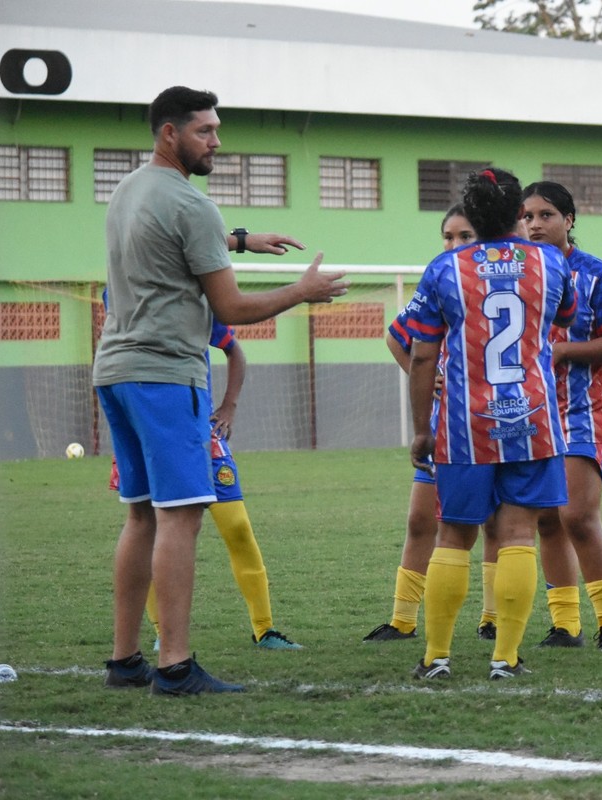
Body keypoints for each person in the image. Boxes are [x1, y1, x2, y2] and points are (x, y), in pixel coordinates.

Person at [95, 86, 347, 696]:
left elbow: (173, 242)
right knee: (180, 516)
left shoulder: (128, 190)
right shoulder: (190, 205)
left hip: (115, 371)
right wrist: (300, 292)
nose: (216, 142)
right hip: (164, 375)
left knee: (140, 516)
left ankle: (125, 660)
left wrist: (239, 239)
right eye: (204, 131)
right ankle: (175, 666)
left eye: (216, 130)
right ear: (169, 133)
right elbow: (232, 306)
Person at [405, 167, 576, 680]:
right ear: (518, 215)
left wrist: (421, 428)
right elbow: (562, 316)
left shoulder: (444, 268)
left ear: (472, 215)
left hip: (463, 423)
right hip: (532, 417)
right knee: (520, 533)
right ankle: (505, 657)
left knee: (454, 536)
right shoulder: (551, 262)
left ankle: (436, 657)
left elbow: (421, 356)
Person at [104, 298, 302, 652]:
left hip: (199, 430)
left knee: (238, 527)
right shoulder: (123, 304)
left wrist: (229, 405)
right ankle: (162, 632)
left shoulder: (188, 302)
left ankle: (265, 629)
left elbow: (234, 351)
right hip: (151, 426)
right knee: (147, 525)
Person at [362, 206, 502, 643]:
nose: (454, 245)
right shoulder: (440, 279)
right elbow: (396, 334)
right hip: (445, 425)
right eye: (448, 236)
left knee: (494, 524)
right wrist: (421, 374)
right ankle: (403, 620)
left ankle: (492, 617)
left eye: (465, 235)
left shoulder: (500, 282)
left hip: (495, 421)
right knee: (421, 520)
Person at [521, 181, 602, 653]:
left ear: (569, 220)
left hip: (583, 411)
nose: (535, 224)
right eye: (527, 216)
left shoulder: (596, 274)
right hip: (529, 414)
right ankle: (566, 627)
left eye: (546, 214)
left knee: (579, 516)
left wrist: (564, 349)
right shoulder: (516, 272)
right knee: (546, 520)